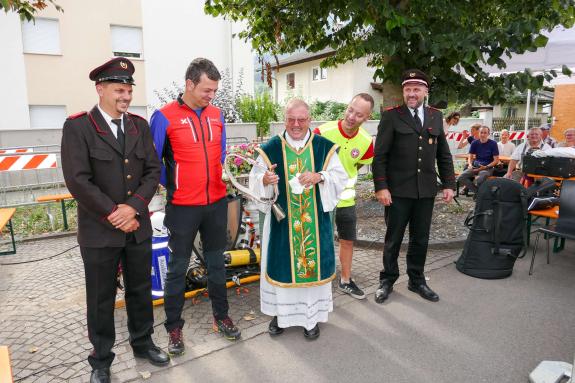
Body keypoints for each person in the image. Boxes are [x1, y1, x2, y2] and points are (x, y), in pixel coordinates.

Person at [61, 57, 168, 383]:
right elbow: (78, 180)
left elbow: (152, 170)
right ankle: (101, 359)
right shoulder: (78, 127)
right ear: (100, 89)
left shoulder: (139, 125)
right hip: (99, 232)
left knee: (139, 289)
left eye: (128, 91)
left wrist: (133, 207)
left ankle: (143, 342)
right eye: (119, 90)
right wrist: (115, 214)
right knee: (101, 296)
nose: (125, 96)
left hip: (137, 227)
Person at [150, 58, 240, 356]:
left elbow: (221, 154)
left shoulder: (217, 114)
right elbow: (153, 164)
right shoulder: (163, 117)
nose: (211, 95)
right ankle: (174, 329)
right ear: (189, 84)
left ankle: (222, 317)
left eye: (214, 90)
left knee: (217, 265)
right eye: (206, 90)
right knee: (177, 270)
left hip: (215, 203)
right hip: (182, 207)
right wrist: (175, 184)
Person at [249, 99, 348, 339]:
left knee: (311, 270)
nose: (296, 124)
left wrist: (320, 176)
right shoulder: (270, 148)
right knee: (280, 269)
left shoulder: (324, 147)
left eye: (301, 120)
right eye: (291, 119)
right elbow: (254, 181)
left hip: (315, 223)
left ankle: (310, 319)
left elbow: (340, 178)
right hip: (282, 224)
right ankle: (280, 316)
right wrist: (264, 181)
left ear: (309, 120)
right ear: (284, 119)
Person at [372, 69, 455, 304]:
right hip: (397, 191)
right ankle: (387, 279)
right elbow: (380, 156)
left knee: (421, 239)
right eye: (408, 89)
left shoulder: (435, 116)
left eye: (416, 89)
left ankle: (416, 280)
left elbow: (443, 154)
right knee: (393, 238)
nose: (411, 93)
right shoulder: (392, 116)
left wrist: (449, 184)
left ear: (425, 92)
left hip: (425, 191)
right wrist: (381, 187)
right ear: (403, 91)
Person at [313, 93, 375, 299]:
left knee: (348, 240)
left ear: (367, 118)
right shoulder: (322, 132)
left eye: (359, 115)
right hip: (320, 198)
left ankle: (346, 281)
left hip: (346, 200)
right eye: (350, 110)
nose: (351, 117)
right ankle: (316, 281)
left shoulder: (366, 142)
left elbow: (357, 166)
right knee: (320, 239)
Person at [457, 126, 500, 195]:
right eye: (481, 132)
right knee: (460, 178)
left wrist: (486, 167)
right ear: (479, 133)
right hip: (475, 166)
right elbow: (470, 156)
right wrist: (470, 165)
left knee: (479, 179)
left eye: (485, 133)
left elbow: (496, 160)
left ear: (488, 134)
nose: (483, 134)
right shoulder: (475, 143)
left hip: (487, 168)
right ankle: (478, 193)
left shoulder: (493, 144)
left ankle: (479, 195)